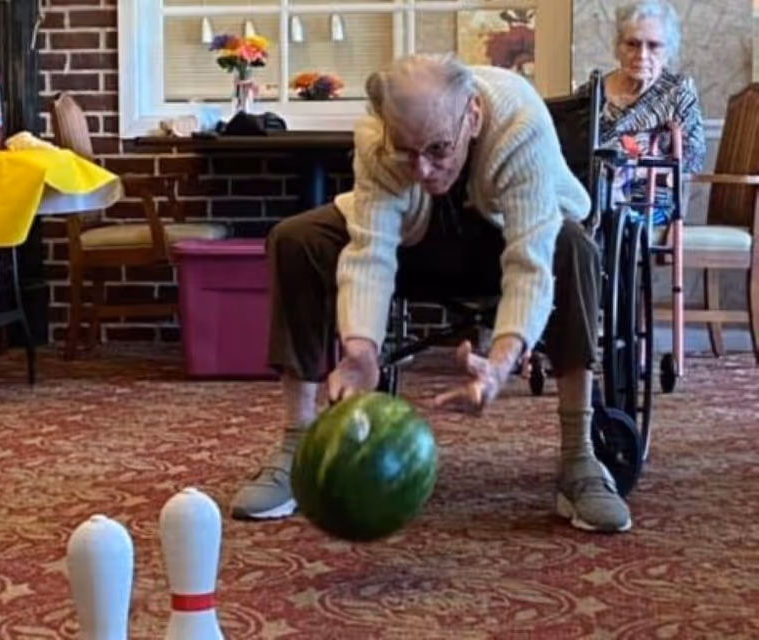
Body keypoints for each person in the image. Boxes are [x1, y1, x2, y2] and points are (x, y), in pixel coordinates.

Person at [229, 52, 634, 534]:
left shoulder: (519, 122)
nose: (422, 169)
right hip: (415, 236)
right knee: (297, 239)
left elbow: (531, 261)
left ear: (473, 115)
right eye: (407, 150)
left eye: (439, 149)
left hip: (498, 233)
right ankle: (296, 444)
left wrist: (502, 360)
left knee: (575, 249)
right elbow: (371, 252)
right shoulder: (378, 135)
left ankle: (579, 457)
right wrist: (361, 349)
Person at [586, 0, 705, 223]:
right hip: (591, 197)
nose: (641, 55)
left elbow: (692, 160)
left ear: (668, 50)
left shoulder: (677, 92)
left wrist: (636, 172)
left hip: (648, 200)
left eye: (654, 46)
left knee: (610, 222)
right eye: (632, 44)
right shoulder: (593, 91)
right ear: (618, 48)